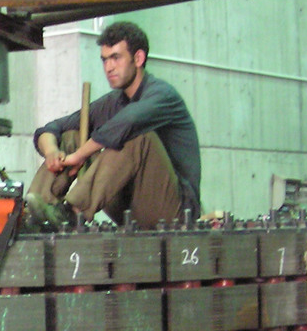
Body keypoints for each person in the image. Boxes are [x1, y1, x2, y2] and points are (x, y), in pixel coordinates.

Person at [27, 21, 201, 228]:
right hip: (130, 207)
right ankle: (35, 213)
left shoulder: (162, 95)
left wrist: (80, 155)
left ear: (138, 58)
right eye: (105, 60)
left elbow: (129, 122)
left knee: (137, 136)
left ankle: (73, 213)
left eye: (116, 58)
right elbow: (53, 128)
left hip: (175, 211)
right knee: (72, 136)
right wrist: (52, 152)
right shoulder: (113, 102)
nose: (109, 67)